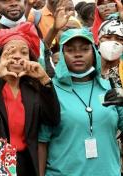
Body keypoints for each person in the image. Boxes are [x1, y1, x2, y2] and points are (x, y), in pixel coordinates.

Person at [38, 28, 123, 175]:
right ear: (62, 55)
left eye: (84, 49)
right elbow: (42, 142)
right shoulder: (50, 90)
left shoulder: (110, 87)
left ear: (95, 53)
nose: (78, 54)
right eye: (70, 50)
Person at [0, 22, 60, 176]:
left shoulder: (32, 89)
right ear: (0, 56)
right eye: (10, 52)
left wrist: (45, 80)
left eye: (24, 52)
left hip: (25, 164)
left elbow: (53, 119)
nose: (17, 56)